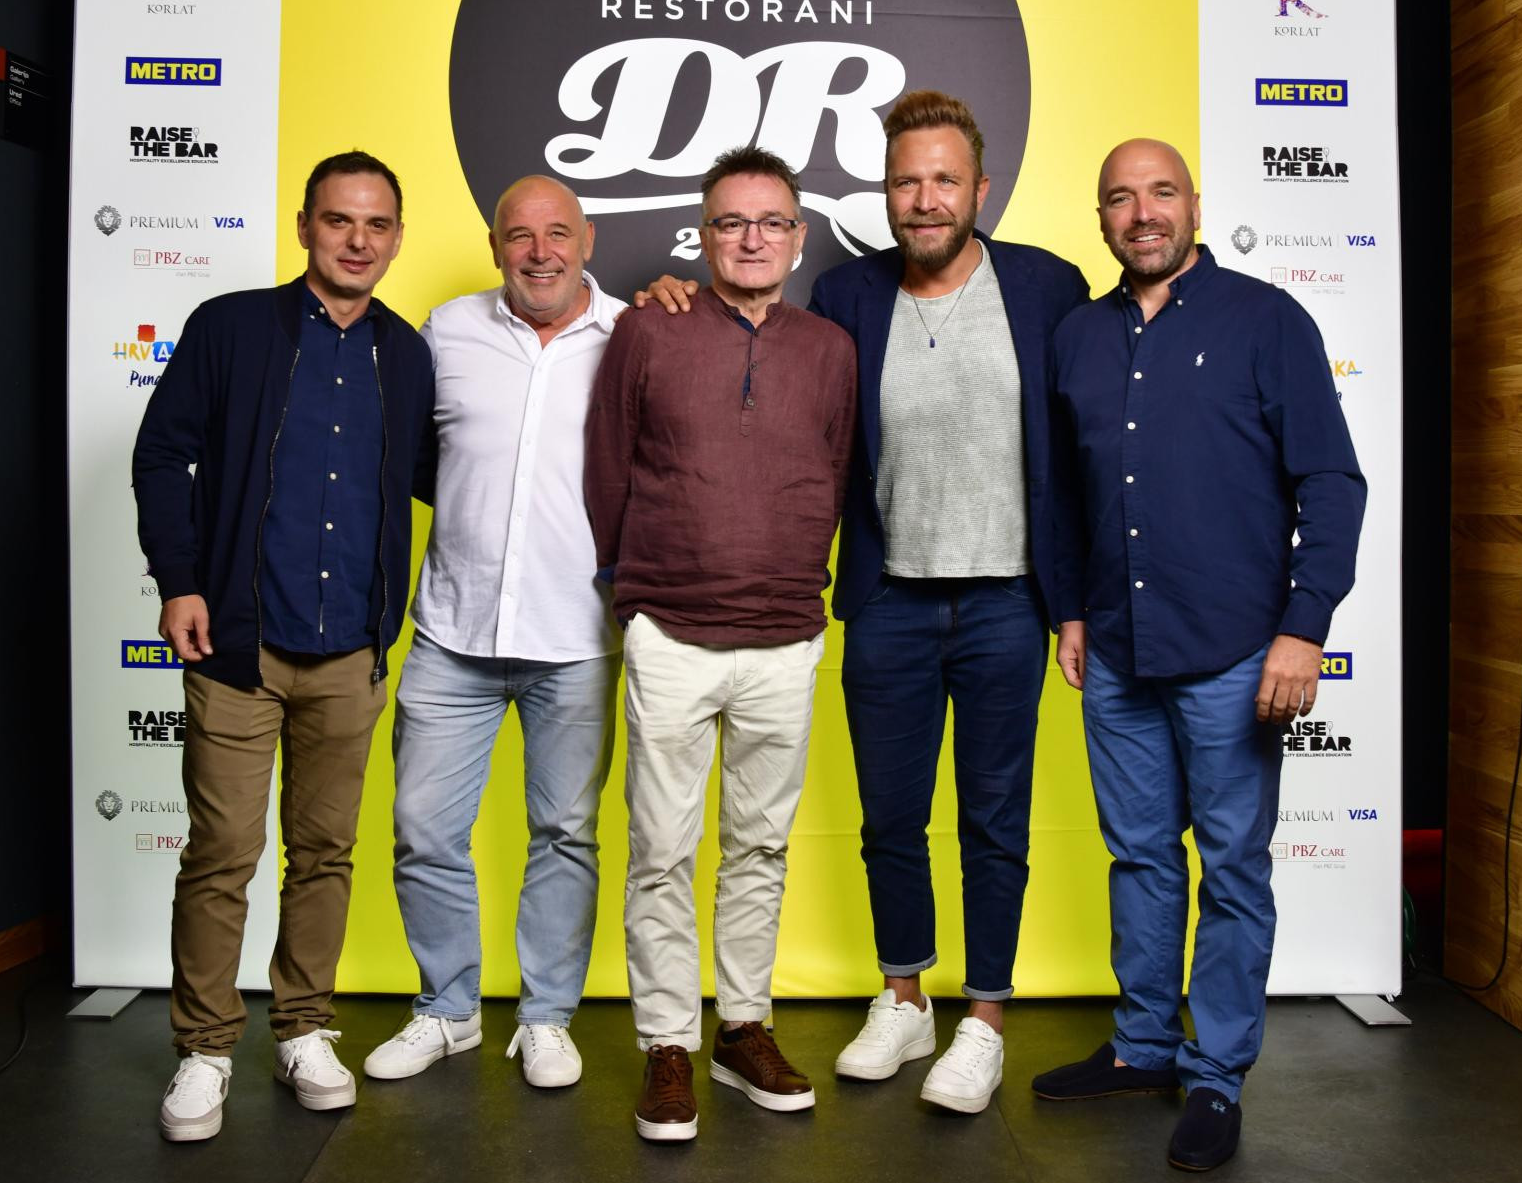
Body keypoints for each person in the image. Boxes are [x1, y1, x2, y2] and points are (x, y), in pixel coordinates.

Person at [637, 91, 1089, 1114]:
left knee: (994, 818)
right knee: (891, 817)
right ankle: (904, 996)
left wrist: (1077, 600)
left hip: (1008, 599)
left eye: (943, 179)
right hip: (887, 597)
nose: (924, 199)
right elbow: (762, 354)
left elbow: (1087, 440)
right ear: (884, 193)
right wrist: (673, 295)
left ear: (981, 188)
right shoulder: (847, 293)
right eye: (904, 181)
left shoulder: (1048, 286)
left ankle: (984, 1017)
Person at [1032, 138, 1364, 1171]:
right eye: (1120, 198)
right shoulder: (1077, 336)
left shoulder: (1267, 319)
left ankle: (1215, 1071)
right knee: (1139, 856)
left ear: (1194, 206)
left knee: (1231, 868)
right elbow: (1063, 490)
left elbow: (1332, 481)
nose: (1142, 213)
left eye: (1161, 192)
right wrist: (1070, 609)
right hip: (1117, 650)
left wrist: (1304, 627)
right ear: (1101, 218)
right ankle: (1142, 1046)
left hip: (1235, 650)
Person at [132, 151, 435, 1142]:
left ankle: (305, 1026)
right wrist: (180, 578)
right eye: (339, 219)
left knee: (325, 853)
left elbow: (444, 475)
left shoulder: (407, 353)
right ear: (305, 226)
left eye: (377, 224)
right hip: (239, 644)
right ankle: (205, 1047)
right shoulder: (231, 327)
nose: (358, 240)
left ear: (397, 236)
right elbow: (161, 452)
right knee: (222, 853)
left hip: (349, 651)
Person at [584, 145, 856, 1142]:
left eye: (771, 222)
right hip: (671, 629)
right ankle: (667, 1042)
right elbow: (608, 464)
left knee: (761, 845)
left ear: (799, 236)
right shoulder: (647, 327)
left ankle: (742, 1028)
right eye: (732, 222)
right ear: (703, 235)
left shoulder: (830, 347)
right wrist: (632, 592)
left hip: (785, 635)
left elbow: (834, 470)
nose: (752, 239)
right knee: (660, 848)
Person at [363, 176, 621, 1091]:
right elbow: (412, 461)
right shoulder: (446, 331)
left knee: (566, 832)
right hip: (453, 630)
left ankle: (547, 1017)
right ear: (495, 244)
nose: (540, 252)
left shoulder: (634, 335)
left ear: (587, 240)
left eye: (558, 233)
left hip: (579, 637)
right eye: (520, 235)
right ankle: (448, 1008)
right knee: (422, 828)